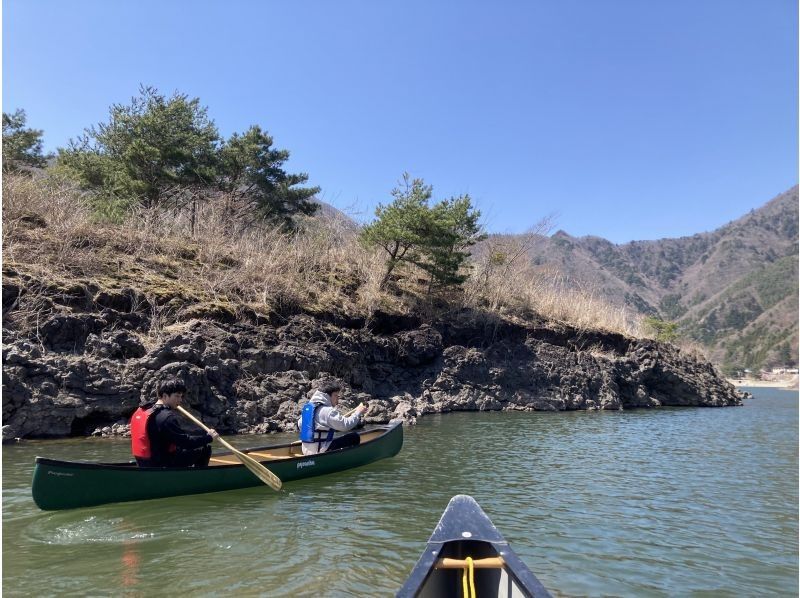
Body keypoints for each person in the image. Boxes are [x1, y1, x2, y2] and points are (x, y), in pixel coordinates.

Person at [131, 377, 219, 467]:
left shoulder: (142, 411)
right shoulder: (166, 417)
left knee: (178, 447)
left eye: (181, 396)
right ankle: (197, 478)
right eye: (177, 396)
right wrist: (209, 437)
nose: (180, 400)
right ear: (165, 396)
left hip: (142, 463)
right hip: (160, 464)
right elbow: (187, 443)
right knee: (204, 448)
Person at [297, 381, 367, 455]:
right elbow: (346, 425)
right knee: (354, 437)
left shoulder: (308, 409)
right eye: (336, 395)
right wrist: (358, 412)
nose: (338, 399)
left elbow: (300, 425)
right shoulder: (328, 411)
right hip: (320, 451)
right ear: (327, 396)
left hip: (306, 451)